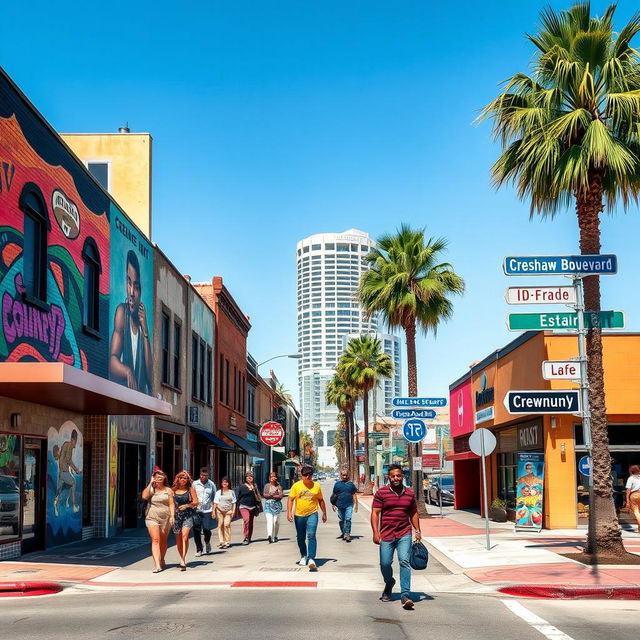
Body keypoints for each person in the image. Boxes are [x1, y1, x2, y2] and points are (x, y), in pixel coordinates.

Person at [371, 464, 421, 610]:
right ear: (389, 477)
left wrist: (417, 530)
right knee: (385, 564)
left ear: (402, 476)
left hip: (404, 533)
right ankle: (389, 582)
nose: (396, 478)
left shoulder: (409, 494)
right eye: (393, 476)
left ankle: (405, 595)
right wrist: (375, 532)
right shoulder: (382, 493)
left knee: (404, 561)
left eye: (398, 475)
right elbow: (375, 513)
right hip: (386, 534)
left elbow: (413, 513)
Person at [109, 250, 152, 393]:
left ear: (141, 291)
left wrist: (145, 331)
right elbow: (112, 361)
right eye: (129, 283)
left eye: (136, 286)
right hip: (124, 402)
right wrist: (127, 371)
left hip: (141, 406)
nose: (132, 292)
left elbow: (150, 379)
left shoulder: (142, 325)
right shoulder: (122, 312)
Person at [287, 465, 327, 571]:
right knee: (300, 537)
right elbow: (290, 499)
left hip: (312, 513)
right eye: (305, 475)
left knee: (311, 535)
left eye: (310, 474)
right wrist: (289, 512)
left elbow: (321, 500)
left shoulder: (316, 486)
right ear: (302, 475)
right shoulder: (296, 486)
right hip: (299, 515)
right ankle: (303, 555)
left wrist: (324, 513)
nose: (308, 477)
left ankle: (311, 558)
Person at [142, 468, 174, 573]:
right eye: (156, 477)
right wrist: (151, 483)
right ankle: (156, 565)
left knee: (163, 540)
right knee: (155, 540)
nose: (158, 478)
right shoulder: (151, 489)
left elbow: (171, 504)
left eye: (161, 476)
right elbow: (144, 496)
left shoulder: (168, 490)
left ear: (164, 478)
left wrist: (172, 516)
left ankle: (162, 559)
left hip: (166, 517)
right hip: (152, 517)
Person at [172, 471, 198, 570]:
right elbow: (170, 503)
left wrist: (187, 505)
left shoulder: (190, 489)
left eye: (185, 478)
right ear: (177, 479)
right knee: (178, 539)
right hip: (176, 516)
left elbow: (196, 502)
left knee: (185, 536)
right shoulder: (173, 490)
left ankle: (183, 559)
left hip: (187, 515)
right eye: (182, 478)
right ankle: (181, 557)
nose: (184, 479)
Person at [53, 429, 80, 516]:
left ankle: (56, 506)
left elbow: (62, 458)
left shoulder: (65, 444)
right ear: (73, 439)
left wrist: (71, 470)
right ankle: (73, 505)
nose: (75, 444)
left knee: (59, 491)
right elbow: (68, 460)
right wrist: (76, 469)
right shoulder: (69, 446)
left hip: (62, 472)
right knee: (73, 482)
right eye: (75, 441)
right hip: (64, 472)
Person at [193, 467, 217, 556]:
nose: (204, 477)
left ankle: (207, 542)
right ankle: (199, 549)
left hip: (207, 511)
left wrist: (214, 511)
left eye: (206, 475)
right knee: (196, 530)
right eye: (203, 475)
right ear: (200, 475)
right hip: (196, 510)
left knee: (206, 529)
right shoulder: (194, 484)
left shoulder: (211, 485)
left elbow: (215, 498)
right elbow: (191, 495)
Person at [330, 468, 358, 542]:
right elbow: (334, 495)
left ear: (348, 475)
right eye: (343, 475)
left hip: (349, 505)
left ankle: (347, 534)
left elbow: (354, 495)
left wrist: (356, 505)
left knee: (348, 519)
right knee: (341, 520)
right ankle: (343, 533)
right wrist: (333, 504)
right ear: (341, 475)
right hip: (339, 505)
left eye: (346, 475)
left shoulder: (351, 485)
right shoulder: (337, 484)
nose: (345, 477)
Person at [235, 472, 261, 544]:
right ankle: (246, 537)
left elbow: (258, 496)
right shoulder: (241, 486)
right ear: (245, 478)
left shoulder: (254, 486)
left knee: (250, 522)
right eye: (248, 477)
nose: (249, 478)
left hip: (253, 506)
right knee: (246, 520)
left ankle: (249, 537)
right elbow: (237, 497)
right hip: (243, 506)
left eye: (251, 477)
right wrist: (236, 506)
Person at [213, 477, 236, 548]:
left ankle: (227, 541)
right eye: (223, 482)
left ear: (228, 483)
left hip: (228, 511)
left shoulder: (231, 492)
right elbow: (215, 502)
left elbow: (234, 502)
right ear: (221, 483)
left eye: (226, 482)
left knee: (226, 525)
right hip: (219, 511)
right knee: (220, 525)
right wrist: (213, 511)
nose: (224, 483)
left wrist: (233, 511)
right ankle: (222, 541)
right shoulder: (218, 492)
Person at [263, 471, 284, 543]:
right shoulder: (267, 486)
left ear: (276, 478)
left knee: (276, 522)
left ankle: (275, 536)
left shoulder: (279, 486)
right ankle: (269, 536)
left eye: (274, 476)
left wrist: (271, 495)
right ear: (269, 478)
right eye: (271, 477)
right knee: (270, 521)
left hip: (277, 506)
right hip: (268, 506)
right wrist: (273, 495)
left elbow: (280, 496)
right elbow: (265, 495)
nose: (273, 478)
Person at [624, 464, 640, 532]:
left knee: (636, 511)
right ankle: (639, 529)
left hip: (634, 495)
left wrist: (627, 501)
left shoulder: (631, 478)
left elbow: (628, 490)